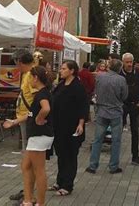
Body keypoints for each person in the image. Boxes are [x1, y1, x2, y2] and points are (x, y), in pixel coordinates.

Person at [4, 66, 53, 206]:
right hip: (37, 135)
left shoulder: (42, 94)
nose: (28, 80)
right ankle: (28, 199)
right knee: (26, 166)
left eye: (30, 77)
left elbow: (46, 108)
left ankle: (39, 203)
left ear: (36, 78)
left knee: (39, 170)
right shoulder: (41, 93)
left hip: (40, 135)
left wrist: (39, 119)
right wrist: (14, 121)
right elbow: (30, 114)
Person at [51, 60, 88, 196]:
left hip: (72, 126)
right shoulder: (60, 85)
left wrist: (81, 123)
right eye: (61, 68)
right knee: (61, 154)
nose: (61, 71)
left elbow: (83, 106)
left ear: (72, 71)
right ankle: (59, 181)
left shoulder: (77, 87)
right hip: (59, 126)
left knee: (70, 156)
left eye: (64, 68)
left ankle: (67, 185)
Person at [86, 59, 128, 174]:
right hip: (115, 112)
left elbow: (96, 90)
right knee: (116, 140)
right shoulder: (121, 80)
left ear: (109, 67)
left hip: (101, 111)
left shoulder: (100, 77)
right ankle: (113, 166)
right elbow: (124, 96)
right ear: (120, 69)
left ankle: (92, 165)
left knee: (97, 139)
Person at [9, 51, 36, 202]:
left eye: (16, 63)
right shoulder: (27, 74)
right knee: (27, 157)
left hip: (28, 119)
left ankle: (29, 194)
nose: (16, 66)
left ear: (20, 62)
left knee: (29, 159)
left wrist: (29, 116)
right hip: (24, 118)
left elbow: (39, 100)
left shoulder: (32, 75)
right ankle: (26, 189)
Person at [121, 53, 139, 166]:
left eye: (131, 62)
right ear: (123, 62)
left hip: (135, 105)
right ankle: (115, 157)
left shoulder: (137, 72)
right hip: (122, 105)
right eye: (127, 62)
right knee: (118, 130)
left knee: (135, 131)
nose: (129, 64)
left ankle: (135, 156)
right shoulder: (119, 73)